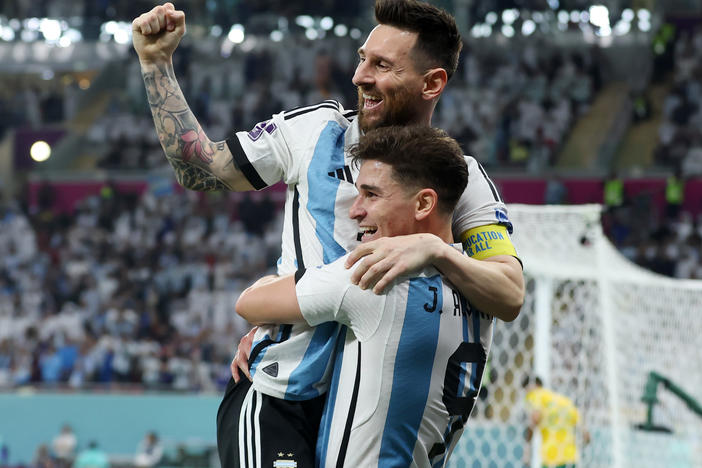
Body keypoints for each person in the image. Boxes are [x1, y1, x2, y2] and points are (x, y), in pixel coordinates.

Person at [131, 1, 524, 466]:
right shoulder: (315, 130)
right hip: (283, 397)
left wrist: (433, 248)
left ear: (432, 83)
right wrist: (157, 64)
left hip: (374, 411)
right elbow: (202, 171)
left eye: (382, 65)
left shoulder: (460, 177)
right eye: (362, 58)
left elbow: (509, 293)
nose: (360, 76)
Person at [236, 125, 497, 467]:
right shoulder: (480, 287)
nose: (355, 210)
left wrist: (272, 289)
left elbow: (248, 304)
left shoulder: (373, 278)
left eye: (371, 195)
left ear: (423, 203)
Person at [523, 376, 590, 468]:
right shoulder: (565, 401)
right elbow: (586, 436)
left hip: (551, 458)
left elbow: (535, 418)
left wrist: (527, 442)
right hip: (571, 458)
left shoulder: (534, 395)